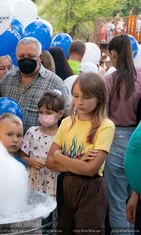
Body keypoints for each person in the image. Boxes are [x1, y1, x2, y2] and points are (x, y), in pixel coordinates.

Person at [46, 72, 115, 234]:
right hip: (65, 186)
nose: (79, 102)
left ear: (99, 97)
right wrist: (78, 162)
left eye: (86, 97)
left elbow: (90, 169)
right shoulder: (67, 122)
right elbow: (49, 161)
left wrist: (60, 157)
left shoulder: (105, 126)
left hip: (91, 188)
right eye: (76, 96)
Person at [104, 34, 141, 233]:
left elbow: (103, 114)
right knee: (133, 197)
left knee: (117, 201)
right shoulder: (140, 76)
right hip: (137, 139)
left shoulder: (109, 80)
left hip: (114, 138)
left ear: (114, 54)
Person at [0, 37, 70, 133]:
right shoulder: (7, 80)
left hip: (39, 145)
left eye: (31, 56)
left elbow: (67, 117)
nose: (26, 59)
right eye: (22, 56)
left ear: (40, 57)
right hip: (7, 144)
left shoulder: (55, 83)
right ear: (16, 56)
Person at [20, 90, 66, 198]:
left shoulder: (63, 136)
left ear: (60, 114)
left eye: (49, 113)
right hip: (33, 182)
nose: (44, 116)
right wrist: (30, 161)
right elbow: (22, 155)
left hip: (53, 184)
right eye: (41, 112)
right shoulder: (32, 132)